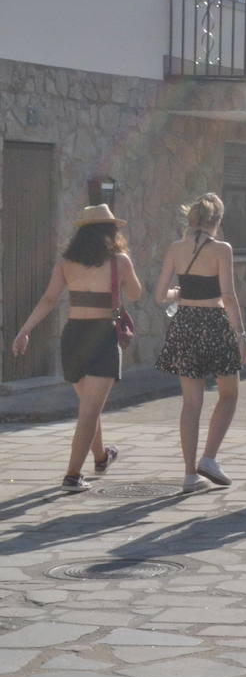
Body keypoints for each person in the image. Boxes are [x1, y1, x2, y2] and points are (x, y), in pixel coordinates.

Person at [10, 204, 142, 492]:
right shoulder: (120, 261)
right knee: (89, 411)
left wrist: (24, 331)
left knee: (88, 408)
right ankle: (72, 476)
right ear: (110, 232)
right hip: (102, 337)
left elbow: (48, 300)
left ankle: (101, 457)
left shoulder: (66, 263)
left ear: (81, 234)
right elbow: (135, 294)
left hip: (73, 337)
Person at [153, 193, 246, 492]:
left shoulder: (175, 248)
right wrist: (242, 338)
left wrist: (180, 294)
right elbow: (229, 297)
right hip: (214, 324)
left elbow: (160, 296)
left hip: (185, 324)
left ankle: (189, 475)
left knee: (191, 403)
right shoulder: (222, 249)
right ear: (217, 220)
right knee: (229, 393)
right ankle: (209, 457)